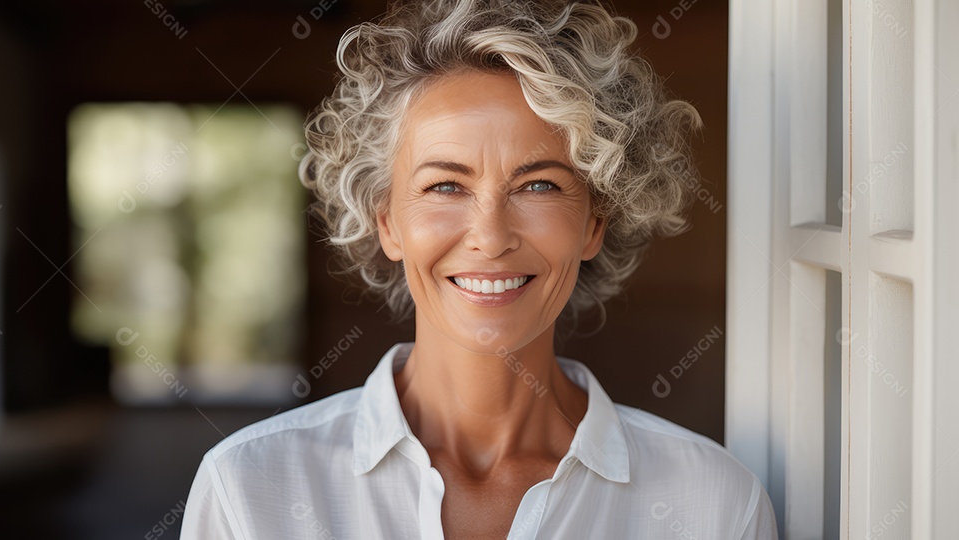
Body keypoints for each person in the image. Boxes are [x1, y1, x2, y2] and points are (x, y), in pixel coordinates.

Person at [180, 0, 777, 538]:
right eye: (445, 186)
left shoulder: (714, 505)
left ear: (596, 221)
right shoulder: (250, 492)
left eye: (539, 184)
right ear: (386, 220)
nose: (490, 238)